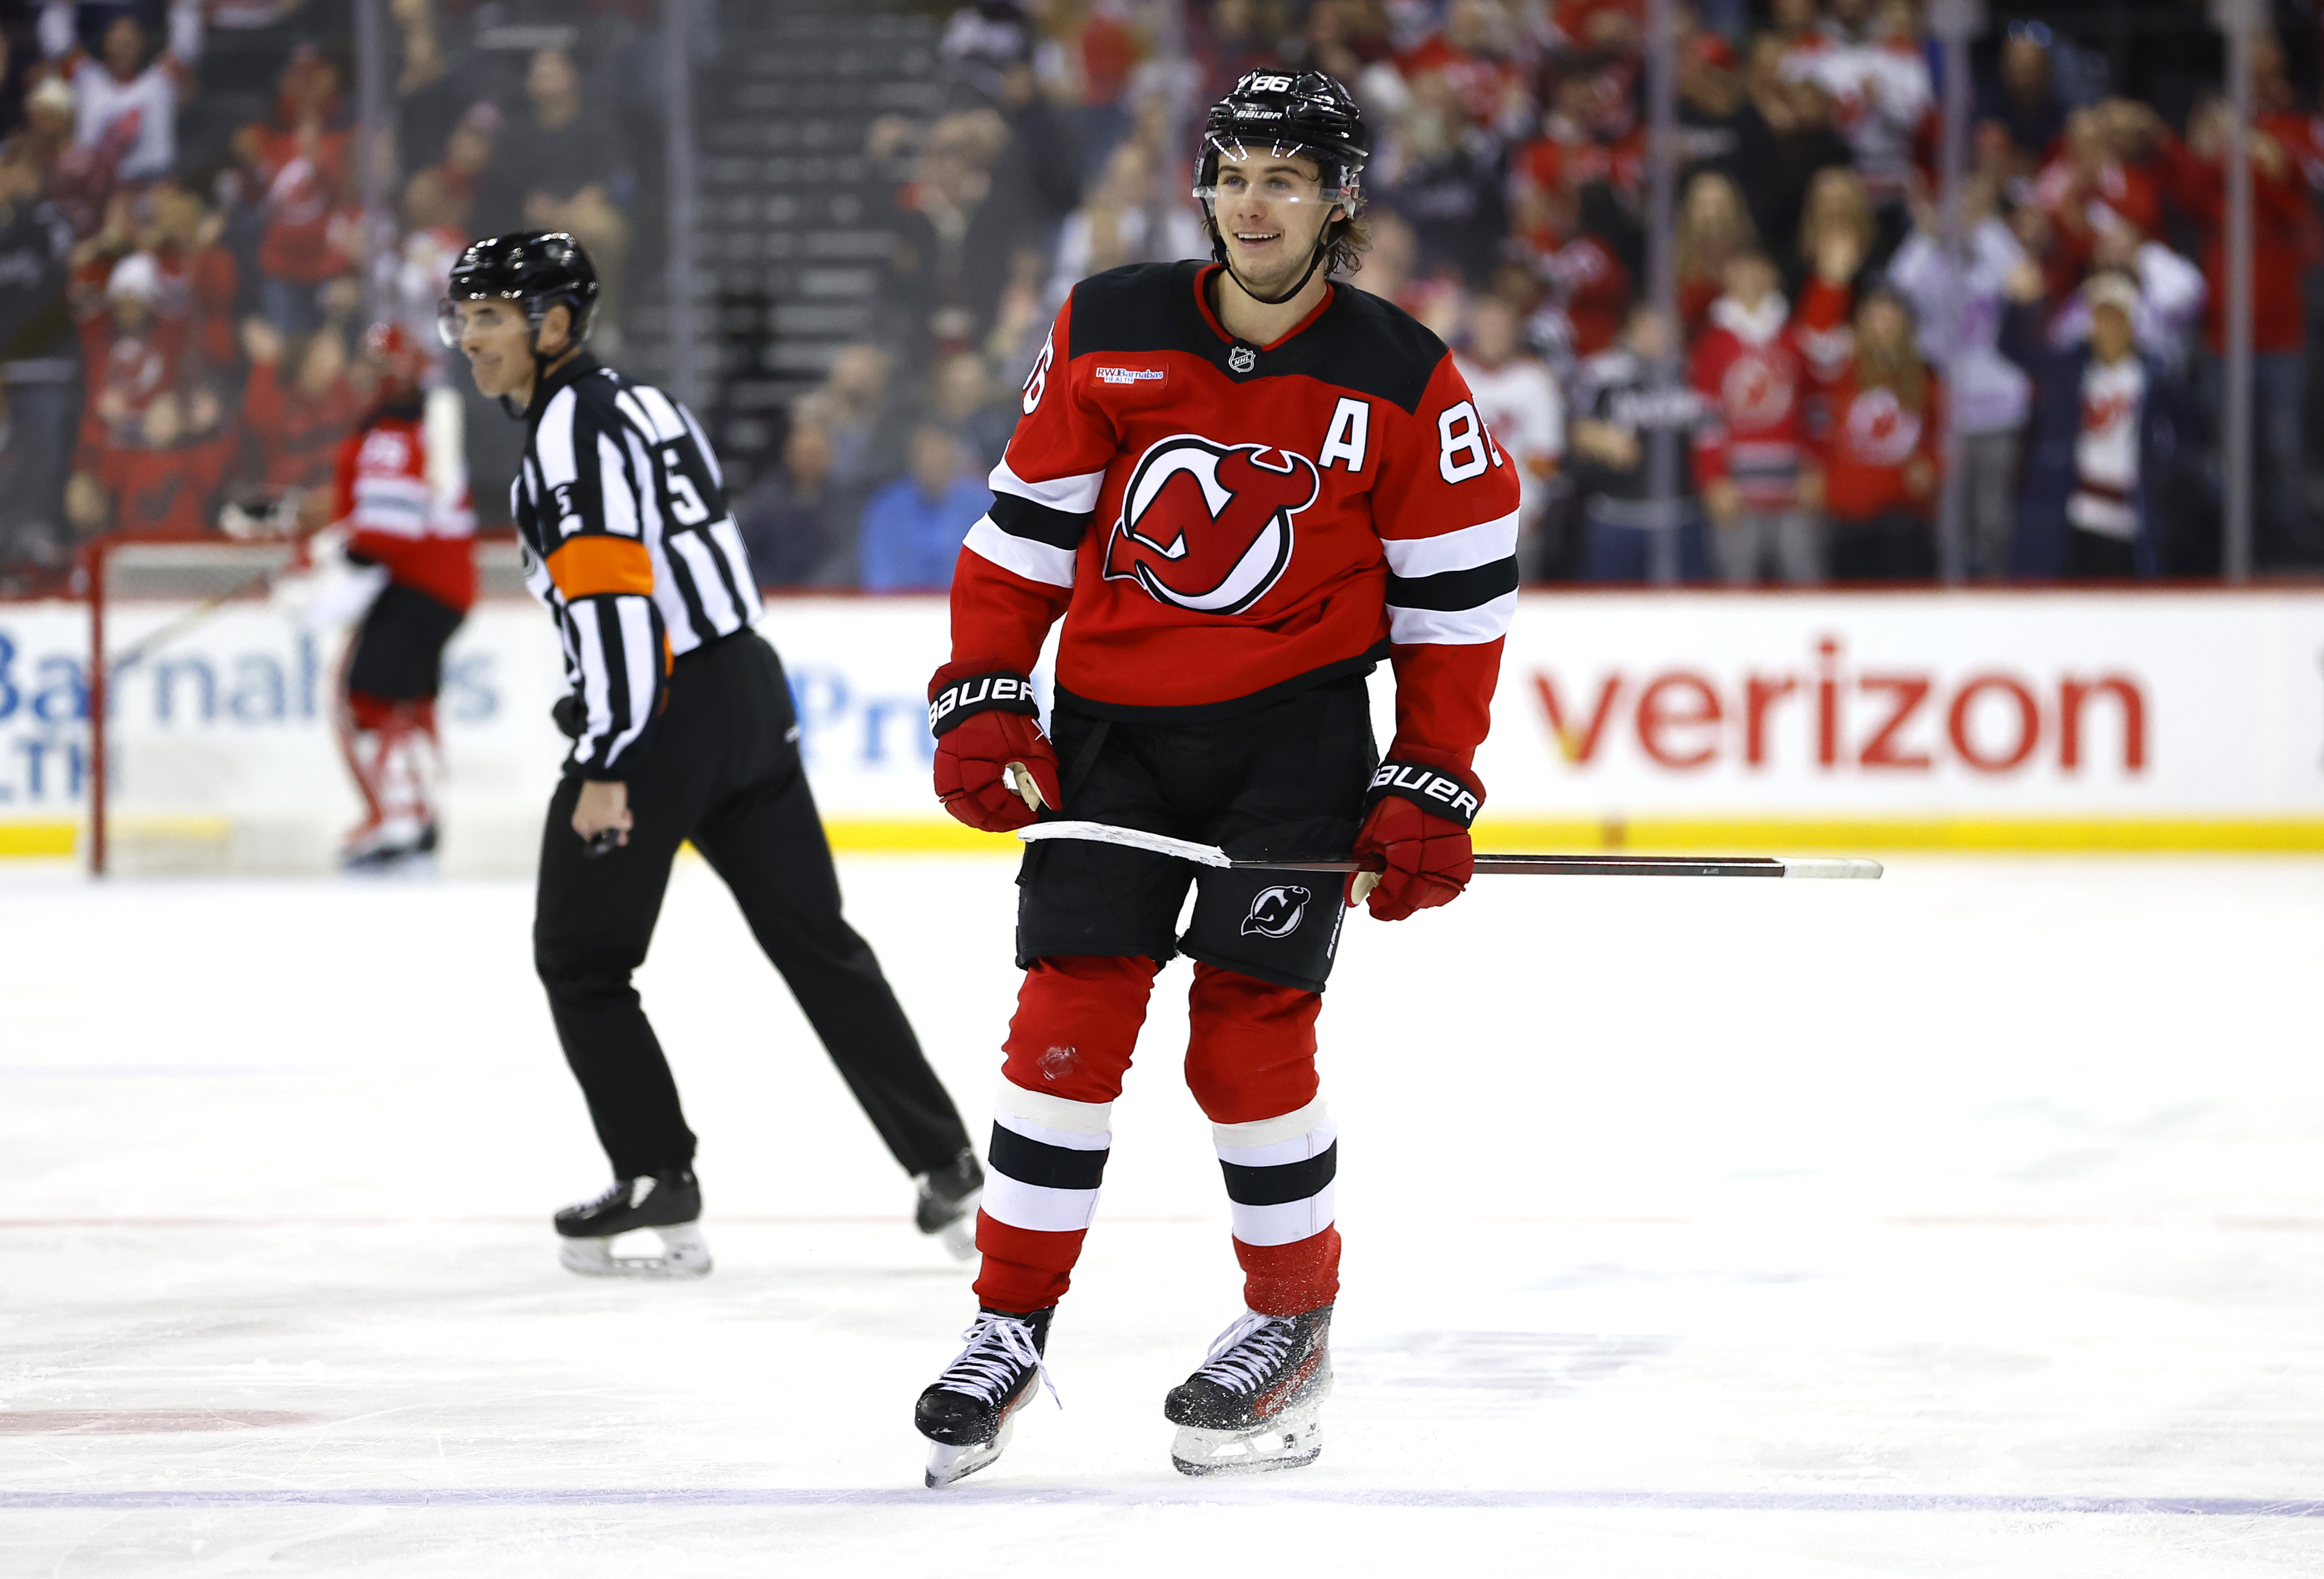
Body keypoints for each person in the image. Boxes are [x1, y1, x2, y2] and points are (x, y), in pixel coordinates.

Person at [911, 72, 1520, 1486]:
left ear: (1339, 200)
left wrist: (1432, 777)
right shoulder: (1106, 323)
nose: (1254, 204)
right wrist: (989, 691)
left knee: (1243, 1042)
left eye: (1287, 179)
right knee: (1065, 1023)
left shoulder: (1405, 372)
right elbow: (1019, 542)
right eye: (1236, 174)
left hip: (1294, 743)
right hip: (1115, 735)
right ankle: (1008, 1327)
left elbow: (1456, 603)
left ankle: (1289, 1317)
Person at [439, 231, 984, 1279]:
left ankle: (656, 1177)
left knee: (582, 957)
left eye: (489, 317)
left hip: (658, 711)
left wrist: (607, 759)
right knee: (817, 942)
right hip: (746, 686)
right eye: (464, 317)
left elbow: (611, 603)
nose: (468, 339)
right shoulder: (651, 404)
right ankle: (946, 1158)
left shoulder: (566, 431)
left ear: (554, 325)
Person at [320, 322, 477, 868]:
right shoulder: (426, 423)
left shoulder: (392, 432)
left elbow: (385, 532)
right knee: (411, 702)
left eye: (373, 368)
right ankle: (420, 812)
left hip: (419, 583)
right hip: (442, 585)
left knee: (365, 696)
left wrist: (330, 557)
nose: (364, 378)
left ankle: (399, 817)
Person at [2000, 265, 2203, 577]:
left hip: (2134, 522)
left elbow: (2191, 437)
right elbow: (2014, 349)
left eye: (2115, 318)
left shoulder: (2157, 382)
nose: (2106, 328)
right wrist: (2020, 304)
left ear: (2131, 324)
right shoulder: (2070, 370)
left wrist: (2162, 477)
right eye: (2099, 318)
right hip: (2077, 519)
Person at [1690, 246, 1847, 586]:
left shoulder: (1795, 338)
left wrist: (1816, 468)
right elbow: (1705, 418)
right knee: (1737, 588)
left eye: (1757, 270)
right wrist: (1713, 478)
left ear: (1773, 276)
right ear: (1726, 279)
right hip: (1735, 488)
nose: (1748, 279)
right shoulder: (1711, 343)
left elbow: (1817, 407)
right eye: (1739, 271)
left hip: (1794, 487)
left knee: (1805, 583)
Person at [1568, 304, 1708, 582]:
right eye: (1647, 329)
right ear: (1629, 332)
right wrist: (1600, 438)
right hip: (1616, 518)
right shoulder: (1602, 372)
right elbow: (1573, 430)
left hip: (1681, 517)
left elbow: (1719, 428)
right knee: (1610, 614)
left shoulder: (1696, 371)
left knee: (1684, 615)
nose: (1656, 337)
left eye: (1665, 329)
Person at [1820, 284, 1942, 578]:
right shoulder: (1841, 370)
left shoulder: (1925, 376)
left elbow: (1940, 438)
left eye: (1892, 321)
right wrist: (1833, 280)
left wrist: (1932, 466)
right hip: (1849, 513)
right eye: (1876, 320)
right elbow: (1816, 331)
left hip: (1904, 516)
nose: (1884, 329)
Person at [858, 423, 990, 591]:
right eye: (922, 452)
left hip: (965, 606)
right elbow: (878, 569)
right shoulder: (887, 506)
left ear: (953, 454)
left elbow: (991, 567)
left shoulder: (981, 503)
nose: (929, 459)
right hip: (900, 609)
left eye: (936, 450)